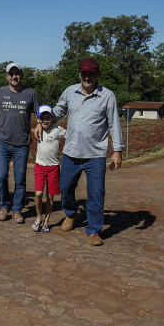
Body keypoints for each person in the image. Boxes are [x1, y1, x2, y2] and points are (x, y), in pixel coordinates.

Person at [47, 58, 124, 246]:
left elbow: (114, 123)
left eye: (91, 73)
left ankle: (94, 230)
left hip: (95, 155)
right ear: (79, 74)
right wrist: (45, 120)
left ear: (97, 74)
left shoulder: (107, 96)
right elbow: (58, 110)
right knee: (65, 188)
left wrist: (117, 151)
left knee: (96, 193)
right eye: (84, 73)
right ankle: (71, 214)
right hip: (71, 152)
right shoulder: (70, 92)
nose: (87, 77)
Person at [0, 62, 39, 224]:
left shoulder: (30, 93)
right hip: (2, 142)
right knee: (1, 176)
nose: (14, 76)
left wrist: (37, 126)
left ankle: (16, 210)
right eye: (11, 74)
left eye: (17, 73)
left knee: (20, 178)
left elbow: (38, 114)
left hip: (22, 144)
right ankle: (3, 206)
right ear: (7, 76)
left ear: (21, 75)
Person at [31, 105, 66, 233]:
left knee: (50, 196)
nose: (45, 121)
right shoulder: (37, 130)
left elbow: (71, 136)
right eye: (42, 118)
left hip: (53, 168)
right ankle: (39, 217)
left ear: (52, 118)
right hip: (40, 166)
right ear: (38, 119)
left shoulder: (58, 130)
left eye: (48, 118)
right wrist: (37, 124)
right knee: (38, 194)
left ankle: (47, 220)